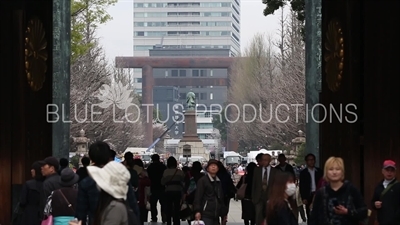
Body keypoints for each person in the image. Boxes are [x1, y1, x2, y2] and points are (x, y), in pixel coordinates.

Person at [309, 157, 368, 225]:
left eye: (338, 169)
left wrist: (347, 212)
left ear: (342, 171)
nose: (334, 172)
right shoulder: (321, 193)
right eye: (331, 169)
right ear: (326, 172)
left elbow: (363, 212)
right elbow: (314, 217)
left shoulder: (351, 189)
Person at [371, 160, 400, 225]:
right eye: (387, 170)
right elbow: (373, 202)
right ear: (382, 171)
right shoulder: (379, 186)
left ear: (395, 172)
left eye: (392, 170)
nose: (389, 173)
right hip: (382, 221)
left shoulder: (398, 186)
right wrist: (375, 204)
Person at [251, 154, 278, 225]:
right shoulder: (257, 170)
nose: (264, 162)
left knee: (270, 216)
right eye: (262, 160)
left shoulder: (274, 171)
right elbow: (254, 184)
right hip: (258, 197)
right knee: (258, 216)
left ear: (269, 161)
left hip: (270, 197)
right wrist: (253, 198)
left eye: (266, 160)